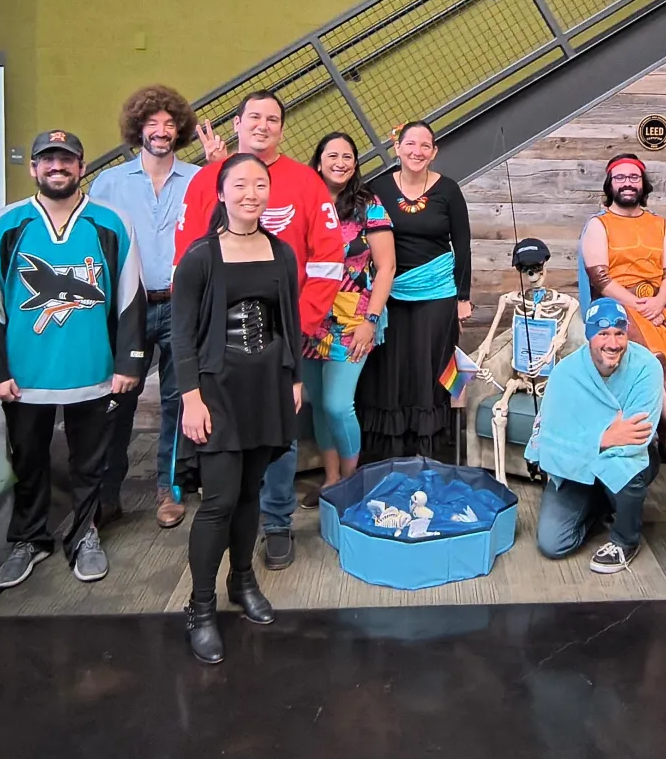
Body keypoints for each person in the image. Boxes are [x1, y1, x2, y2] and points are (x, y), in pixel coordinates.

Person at [175, 91, 343, 568]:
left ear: (282, 129)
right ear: (237, 123)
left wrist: (297, 326)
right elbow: (186, 260)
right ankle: (224, 524)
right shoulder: (206, 180)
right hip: (218, 349)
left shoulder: (305, 182)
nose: (262, 125)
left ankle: (276, 522)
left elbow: (327, 259)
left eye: (273, 119)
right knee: (223, 441)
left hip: (279, 343)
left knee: (279, 436)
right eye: (254, 117)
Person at [0, 130, 143, 591]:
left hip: (94, 369)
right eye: (47, 159)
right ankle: (28, 539)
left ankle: (85, 533)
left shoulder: (112, 223)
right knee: (28, 461)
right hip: (25, 374)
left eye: (66, 159)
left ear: (81, 167)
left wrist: (128, 363)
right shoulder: (2, 226)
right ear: (33, 168)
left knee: (90, 462)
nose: (57, 167)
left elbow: (130, 296)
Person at [172, 154, 303, 665]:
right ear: (222, 193)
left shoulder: (281, 251)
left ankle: (242, 581)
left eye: (260, 185)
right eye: (241, 185)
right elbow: (181, 334)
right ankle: (200, 607)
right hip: (217, 391)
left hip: (266, 387)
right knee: (219, 501)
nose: (251, 193)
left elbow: (288, 321)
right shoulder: (201, 256)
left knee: (251, 493)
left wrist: (293, 378)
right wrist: (190, 398)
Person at [87, 84, 201, 530]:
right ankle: (107, 492)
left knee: (178, 400)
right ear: (138, 129)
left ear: (180, 130)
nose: (161, 131)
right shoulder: (109, 183)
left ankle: (169, 488)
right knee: (118, 399)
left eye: (169, 124)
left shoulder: (197, 180)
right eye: (152, 123)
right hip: (127, 306)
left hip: (181, 304)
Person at [358, 121, 473, 465]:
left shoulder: (448, 190)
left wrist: (462, 297)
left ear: (434, 152)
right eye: (410, 144)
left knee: (429, 368)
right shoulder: (377, 188)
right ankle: (388, 451)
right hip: (390, 292)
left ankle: (428, 452)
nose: (417, 152)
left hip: (437, 293)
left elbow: (462, 245)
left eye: (425, 146)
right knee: (389, 367)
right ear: (397, 148)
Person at [525, 298, 665, 573]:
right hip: (574, 469)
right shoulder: (565, 373)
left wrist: (581, 436)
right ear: (589, 335)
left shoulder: (646, 367)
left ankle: (625, 539)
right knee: (552, 543)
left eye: (619, 333)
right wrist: (602, 438)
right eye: (603, 333)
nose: (613, 343)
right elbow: (550, 440)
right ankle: (600, 503)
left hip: (624, 459)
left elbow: (638, 435)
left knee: (625, 467)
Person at [306, 132, 395, 491]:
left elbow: (386, 267)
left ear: (355, 164)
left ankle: (351, 483)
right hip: (308, 318)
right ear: (318, 162)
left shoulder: (368, 205)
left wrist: (371, 320)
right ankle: (330, 480)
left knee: (337, 405)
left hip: (353, 319)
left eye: (347, 157)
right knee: (317, 404)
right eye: (332, 155)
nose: (340, 163)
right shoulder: (304, 202)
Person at [581, 155, 666, 373]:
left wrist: (658, 302)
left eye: (634, 177)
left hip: (656, 306)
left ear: (643, 183)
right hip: (618, 308)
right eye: (620, 178)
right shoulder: (599, 224)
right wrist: (642, 308)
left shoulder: (659, 224)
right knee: (650, 360)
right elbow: (601, 279)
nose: (627, 183)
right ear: (610, 184)